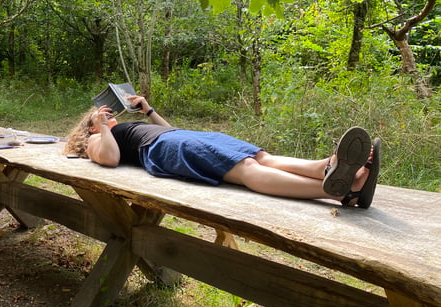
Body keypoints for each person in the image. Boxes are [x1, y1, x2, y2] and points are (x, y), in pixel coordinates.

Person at [64, 95, 380, 208]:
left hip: (179, 137)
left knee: (261, 158)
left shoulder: (122, 128)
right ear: (89, 129)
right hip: (166, 150)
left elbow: (168, 129)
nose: (109, 116)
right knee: (246, 171)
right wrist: (99, 124)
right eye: (100, 118)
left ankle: (332, 167)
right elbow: (110, 159)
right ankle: (337, 192)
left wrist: (148, 111)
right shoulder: (96, 141)